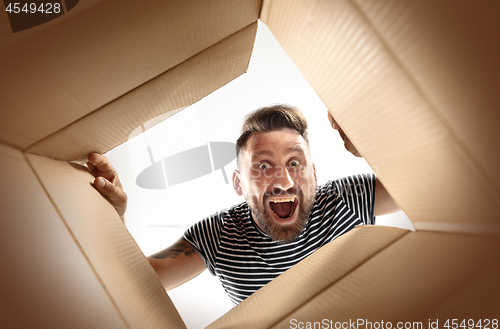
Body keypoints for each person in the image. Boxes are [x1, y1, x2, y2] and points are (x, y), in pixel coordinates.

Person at [86, 105, 400, 305]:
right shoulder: (218, 235)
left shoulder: (346, 198)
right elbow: (145, 282)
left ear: (314, 175)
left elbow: (431, 187)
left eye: (295, 162)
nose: (283, 182)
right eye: (263, 167)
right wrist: (114, 217)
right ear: (239, 184)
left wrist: (372, 143)